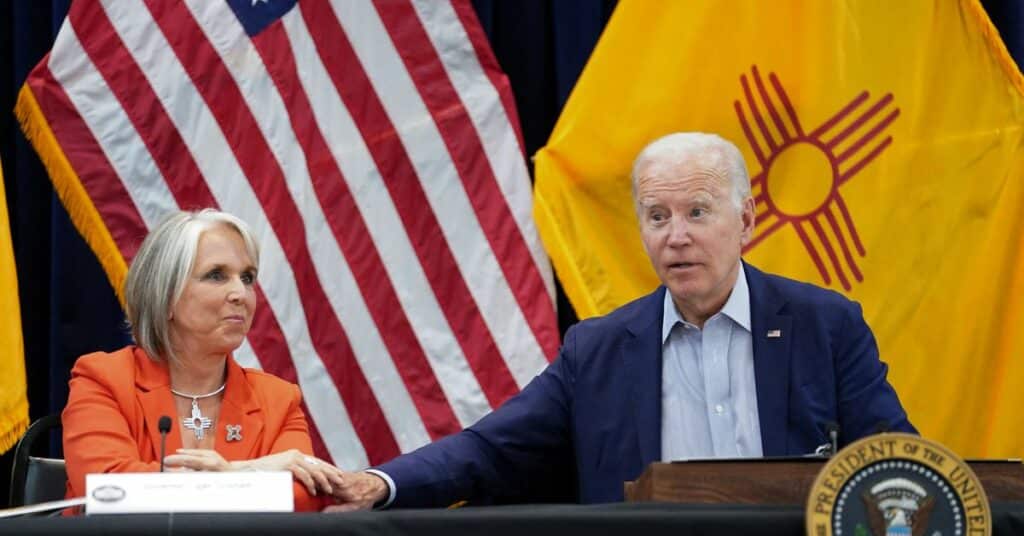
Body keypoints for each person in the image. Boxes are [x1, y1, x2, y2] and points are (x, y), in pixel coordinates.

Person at [327, 132, 916, 509]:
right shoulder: (599, 349)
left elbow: (896, 464)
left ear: (746, 220)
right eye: (657, 216)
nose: (676, 236)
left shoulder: (825, 325)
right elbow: (490, 449)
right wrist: (382, 484)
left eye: (697, 212)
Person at [62, 209, 342, 512]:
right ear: (166, 296)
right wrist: (245, 473)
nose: (241, 293)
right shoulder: (103, 379)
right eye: (216, 275)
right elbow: (108, 488)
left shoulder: (279, 398)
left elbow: (305, 495)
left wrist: (230, 474)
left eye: (247, 278)